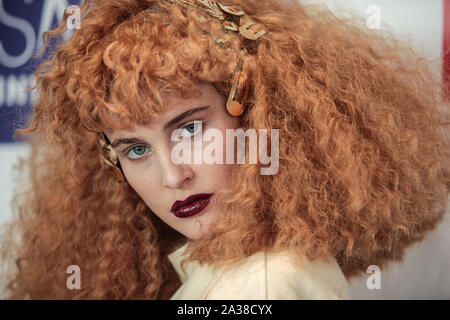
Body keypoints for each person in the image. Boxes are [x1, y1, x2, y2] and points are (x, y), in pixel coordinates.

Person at [0, 0, 448, 300]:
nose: (173, 176)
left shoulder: (264, 283)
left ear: (257, 114)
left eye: (190, 128)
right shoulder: (231, 273)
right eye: (136, 150)